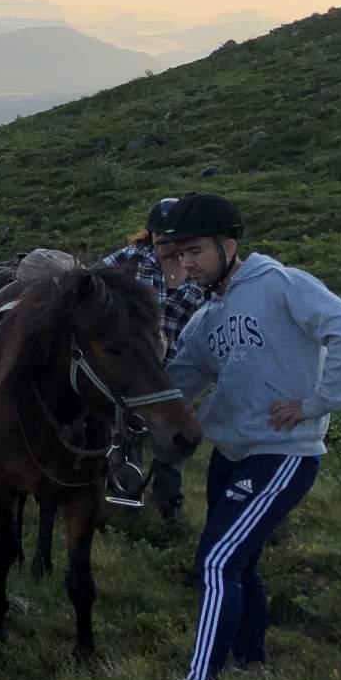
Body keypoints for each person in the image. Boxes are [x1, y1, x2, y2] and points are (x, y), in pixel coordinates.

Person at [160, 193, 341, 680]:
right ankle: (250, 662)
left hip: (285, 452)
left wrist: (317, 402)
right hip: (233, 452)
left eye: (194, 252)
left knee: (217, 560)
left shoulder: (282, 284)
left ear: (227, 245)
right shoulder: (208, 315)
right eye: (179, 255)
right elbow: (180, 381)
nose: (186, 264)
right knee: (242, 560)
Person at [101, 196, 207, 520]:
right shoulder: (130, 260)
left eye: (172, 238)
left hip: (177, 365)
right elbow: (93, 285)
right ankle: (120, 492)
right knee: (124, 429)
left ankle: (168, 502)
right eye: (160, 238)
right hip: (137, 365)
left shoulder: (197, 270)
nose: (166, 245)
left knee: (171, 434)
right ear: (150, 234)